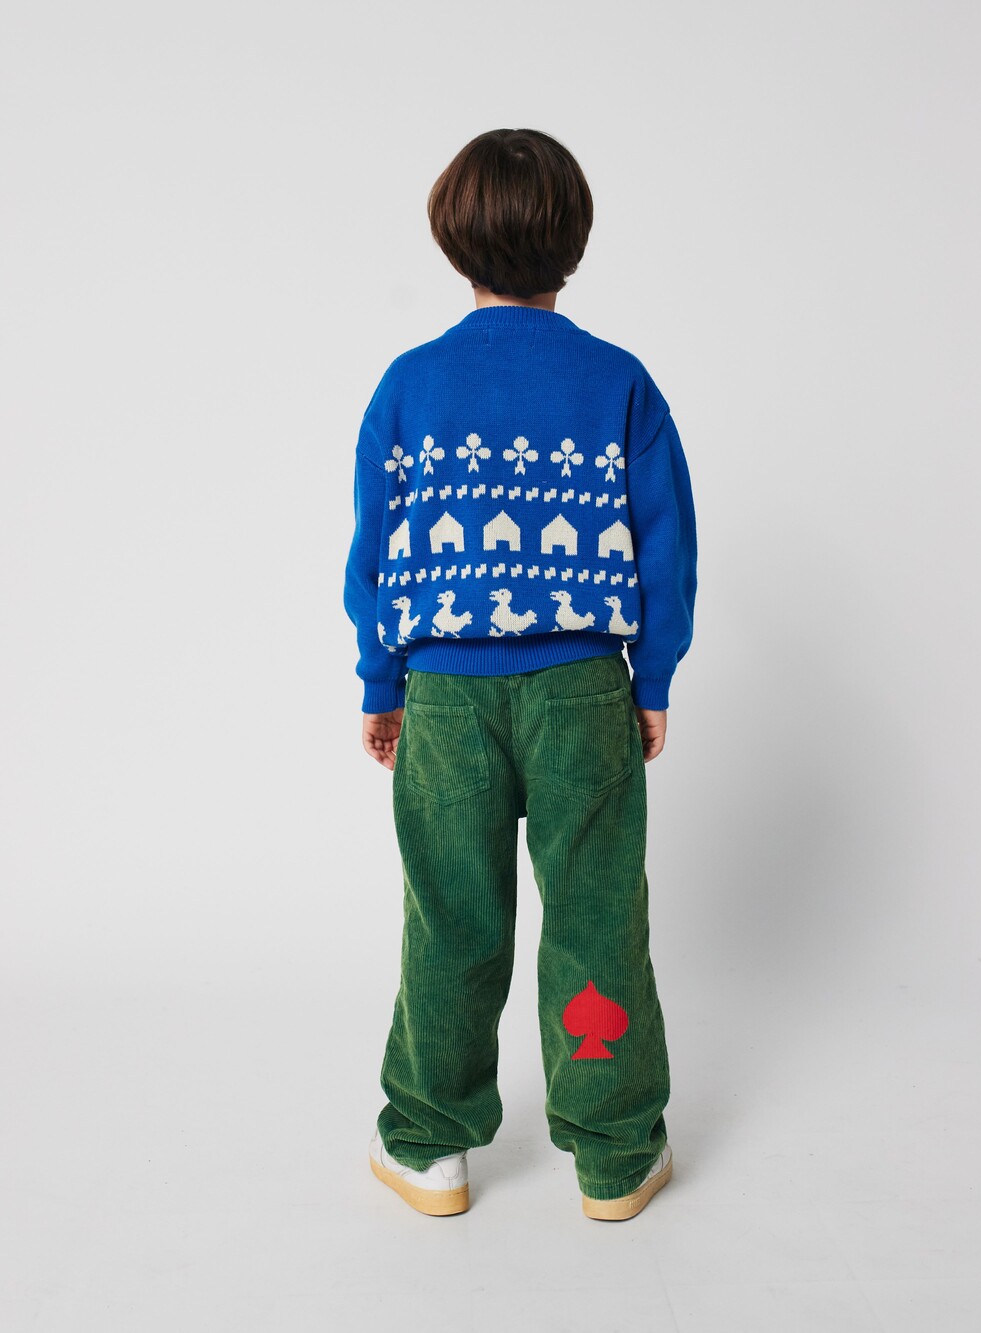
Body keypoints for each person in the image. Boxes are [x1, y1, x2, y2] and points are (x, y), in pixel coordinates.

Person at [343, 128, 697, 1221]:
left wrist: (382, 682)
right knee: (596, 916)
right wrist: (651, 680)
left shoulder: (410, 385)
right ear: (573, 241)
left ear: (453, 241)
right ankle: (614, 1152)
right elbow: (667, 543)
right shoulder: (618, 381)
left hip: (445, 695)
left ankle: (429, 1146)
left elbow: (376, 545)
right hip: (583, 688)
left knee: (451, 917)